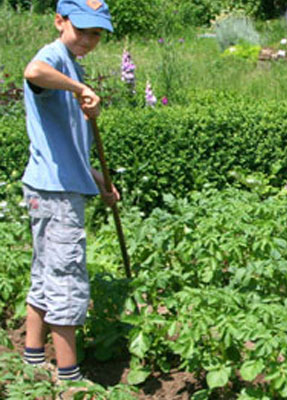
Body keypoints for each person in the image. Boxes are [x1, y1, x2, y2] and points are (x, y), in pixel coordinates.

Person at [21, 0, 118, 384]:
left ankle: (31, 357)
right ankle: (70, 379)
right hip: (56, 193)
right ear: (60, 21)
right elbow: (32, 71)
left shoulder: (70, 64)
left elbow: (70, 148)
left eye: (97, 33)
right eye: (83, 30)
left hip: (52, 186)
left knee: (46, 272)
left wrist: (100, 181)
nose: (90, 39)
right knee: (67, 278)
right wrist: (80, 87)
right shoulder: (54, 57)